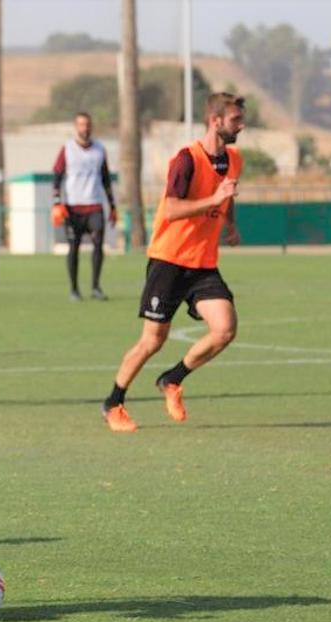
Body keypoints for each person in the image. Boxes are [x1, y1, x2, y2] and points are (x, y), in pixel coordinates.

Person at [101, 93, 246, 432]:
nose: (241, 125)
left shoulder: (235, 158)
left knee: (225, 329)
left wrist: (230, 222)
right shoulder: (186, 159)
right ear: (216, 121)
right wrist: (214, 199)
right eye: (235, 120)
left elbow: (228, 191)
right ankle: (113, 403)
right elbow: (172, 209)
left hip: (203, 264)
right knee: (152, 341)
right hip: (169, 261)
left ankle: (172, 378)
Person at [50, 111, 116, 301]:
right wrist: (56, 203)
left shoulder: (100, 149)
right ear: (75, 127)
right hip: (72, 207)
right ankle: (74, 289)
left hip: (94, 205)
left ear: (91, 126)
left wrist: (112, 206)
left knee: (98, 244)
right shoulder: (67, 148)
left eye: (87, 125)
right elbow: (57, 176)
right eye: (81, 125)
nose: (84, 128)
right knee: (74, 247)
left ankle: (96, 286)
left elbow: (105, 179)